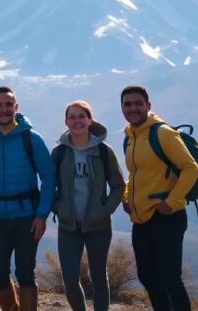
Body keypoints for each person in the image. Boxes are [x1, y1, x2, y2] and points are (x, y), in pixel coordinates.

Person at [120, 85, 198, 311]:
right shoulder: (130, 137)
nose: (133, 108)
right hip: (141, 218)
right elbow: (135, 173)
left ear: (148, 105)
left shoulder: (163, 133)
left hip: (167, 217)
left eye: (138, 103)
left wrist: (171, 203)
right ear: (122, 108)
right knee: (148, 277)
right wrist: (127, 196)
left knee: (169, 279)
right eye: (127, 104)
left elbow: (190, 168)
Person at [0, 86, 55, 311]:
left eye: (9, 104)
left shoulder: (31, 138)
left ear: (16, 107)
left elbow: (49, 177)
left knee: (25, 272)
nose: (4, 109)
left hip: (27, 217)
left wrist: (42, 214)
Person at [51, 101, 125, 311]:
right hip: (68, 226)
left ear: (90, 120)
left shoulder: (104, 151)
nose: (77, 121)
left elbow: (118, 185)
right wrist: (58, 209)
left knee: (99, 276)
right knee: (70, 279)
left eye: (81, 116)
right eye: (72, 117)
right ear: (66, 121)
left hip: (98, 225)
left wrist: (105, 210)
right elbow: (49, 186)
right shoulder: (59, 153)